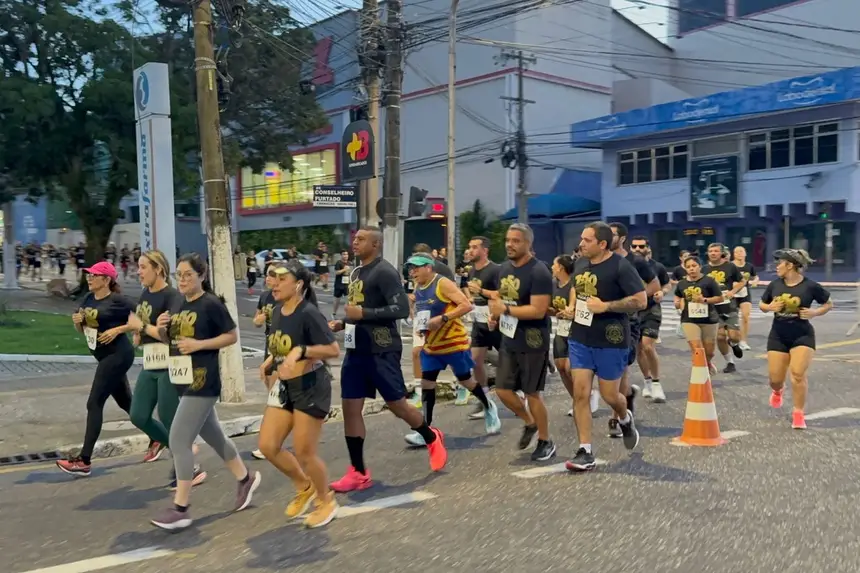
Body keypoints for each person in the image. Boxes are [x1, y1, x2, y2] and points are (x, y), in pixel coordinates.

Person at [328, 227, 448, 492]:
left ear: (376, 244)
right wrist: (342, 322)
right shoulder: (356, 272)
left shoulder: (385, 272)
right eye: (355, 239)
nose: (355, 242)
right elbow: (359, 309)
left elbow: (401, 309)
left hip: (381, 349)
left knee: (397, 405)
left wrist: (363, 314)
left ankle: (431, 436)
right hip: (356, 349)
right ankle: (358, 472)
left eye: (361, 239)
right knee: (350, 408)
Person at [150, 253, 261, 531]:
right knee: (215, 436)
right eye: (179, 275)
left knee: (178, 440)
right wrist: (161, 329)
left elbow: (231, 336)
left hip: (203, 382)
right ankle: (245, 479)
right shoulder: (177, 302)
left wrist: (199, 345)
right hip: (182, 379)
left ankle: (181, 508)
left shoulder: (210, 303)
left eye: (188, 274)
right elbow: (171, 339)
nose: (183, 280)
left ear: (202, 275)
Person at [258, 261, 340, 528]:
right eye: (273, 277)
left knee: (305, 452)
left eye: (282, 278)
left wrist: (302, 351)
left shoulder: (309, 313)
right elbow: (282, 345)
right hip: (285, 388)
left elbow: (333, 350)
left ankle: (326, 501)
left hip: (310, 386)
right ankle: (304, 486)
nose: (274, 283)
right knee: (268, 446)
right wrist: (270, 360)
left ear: (298, 284)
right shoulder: (277, 311)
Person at [565, 222, 645, 472]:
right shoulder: (580, 263)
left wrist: (606, 306)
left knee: (611, 396)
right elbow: (576, 289)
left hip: (611, 339)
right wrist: (572, 308)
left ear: (602, 244)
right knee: (581, 393)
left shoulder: (621, 266)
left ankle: (624, 417)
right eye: (581, 238)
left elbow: (640, 300)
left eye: (587, 240)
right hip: (580, 337)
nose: (581, 244)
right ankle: (585, 450)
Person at [404, 253, 501, 446]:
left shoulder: (442, 283)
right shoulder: (418, 286)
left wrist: (443, 318)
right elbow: (424, 312)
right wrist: (420, 324)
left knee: (466, 381)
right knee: (427, 383)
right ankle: (426, 431)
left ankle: (488, 406)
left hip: (453, 343)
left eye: (416, 267)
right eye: (411, 268)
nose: (412, 271)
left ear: (428, 267)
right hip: (431, 346)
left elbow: (467, 305)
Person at [57, 262, 137, 476]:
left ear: (107, 279)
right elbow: (82, 329)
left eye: (94, 275)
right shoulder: (88, 298)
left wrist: (118, 330)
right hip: (103, 355)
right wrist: (78, 322)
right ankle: (160, 437)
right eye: (88, 275)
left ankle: (84, 461)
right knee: (127, 403)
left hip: (118, 355)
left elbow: (142, 318)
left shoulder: (118, 300)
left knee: (94, 403)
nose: (89, 278)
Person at [487, 223, 557, 462]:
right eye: (508, 240)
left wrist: (505, 310)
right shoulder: (504, 269)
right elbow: (503, 297)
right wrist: (496, 316)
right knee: (502, 390)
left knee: (532, 393)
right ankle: (529, 423)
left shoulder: (539, 271)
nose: (510, 244)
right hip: (509, 338)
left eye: (516, 241)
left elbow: (538, 310)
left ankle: (546, 440)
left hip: (533, 340)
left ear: (528, 244)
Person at [760, 249, 832, 430]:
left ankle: (798, 413)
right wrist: (769, 307)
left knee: (798, 374)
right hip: (778, 335)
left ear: (790, 265)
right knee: (775, 378)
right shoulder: (775, 285)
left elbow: (828, 304)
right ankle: (778, 390)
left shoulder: (810, 286)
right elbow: (762, 304)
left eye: (779, 263)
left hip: (802, 335)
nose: (777, 267)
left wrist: (814, 312)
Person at [607, 223, 659, 436]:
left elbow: (654, 285)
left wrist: (635, 297)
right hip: (602, 319)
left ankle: (617, 417)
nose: (607, 237)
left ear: (622, 238)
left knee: (620, 368)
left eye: (611, 234)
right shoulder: (599, 260)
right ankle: (626, 396)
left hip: (628, 320)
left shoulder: (635, 261)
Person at [406, 243, 457, 409]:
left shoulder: (443, 270)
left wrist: (446, 316)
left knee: (449, 355)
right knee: (416, 352)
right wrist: (412, 303)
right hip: (422, 317)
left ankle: (463, 385)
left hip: (440, 319)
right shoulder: (414, 271)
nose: (414, 268)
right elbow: (416, 290)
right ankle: (419, 392)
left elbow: (455, 295)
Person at [550, 255, 598, 417]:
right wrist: (553, 312)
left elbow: (576, 305)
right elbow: (550, 306)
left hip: (576, 329)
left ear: (561, 268)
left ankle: (588, 396)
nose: (552, 267)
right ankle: (577, 401)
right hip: (561, 329)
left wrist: (571, 311)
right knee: (560, 366)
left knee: (571, 368)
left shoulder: (574, 284)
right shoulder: (553, 284)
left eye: (554, 265)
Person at [465, 236, 501, 421]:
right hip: (479, 322)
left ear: (485, 250)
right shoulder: (472, 271)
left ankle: (520, 390)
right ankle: (485, 400)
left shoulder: (495, 270)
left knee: (509, 360)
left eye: (474, 247)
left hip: (496, 321)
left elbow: (500, 294)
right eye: (470, 247)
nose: (470, 250)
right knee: (475, 360)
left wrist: (481, 292)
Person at [631, 237, 669, 402]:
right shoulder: (626, 265)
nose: (637, 249)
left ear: (648, 248)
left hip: (651, 309)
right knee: (639, 349)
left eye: (641, 246)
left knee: (648, 346)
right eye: (634, 246)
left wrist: (662, 292)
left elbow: (666, 284)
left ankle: (656, 382)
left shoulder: (657, 267)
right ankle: (647, 380)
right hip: (633, 311)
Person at [674, 256, 722, 375]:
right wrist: (677, 302)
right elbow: (678, 295)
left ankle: (708, 363)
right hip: (689, 319)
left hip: (709, 319)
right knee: (697, 348)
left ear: (700, 267)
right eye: (688, 267)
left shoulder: (709, 281)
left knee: (709, 352)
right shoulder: (682, 283)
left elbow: (720, 298)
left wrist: (704, 300)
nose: (691, 269)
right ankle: (700, 373)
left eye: (694, 266)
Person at [703, 243, 745, 373]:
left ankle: (734, 343)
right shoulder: (704, 269)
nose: (713, 253)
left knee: (734, 336)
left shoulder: (730, 266)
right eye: (710, 251)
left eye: (716, 251)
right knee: (720, 337)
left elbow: (742, 281)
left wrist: (733, 291)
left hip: (729, 306)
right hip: (713, 308)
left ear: (721, 253)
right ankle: (730, 362)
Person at [250, 269, 277, 461]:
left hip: (283, 347)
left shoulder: (283, 298)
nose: (268, 278)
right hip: (270, 344)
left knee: (274, 399)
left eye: (272, 275)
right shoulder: (265, 296)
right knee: (274, 394)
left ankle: (270, 443)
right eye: (267, 274)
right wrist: (258, 320)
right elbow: (256, 320)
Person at [732, 246, 758, 351]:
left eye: (741, 251)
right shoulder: (730, 266)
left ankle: (743, 341)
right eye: (736, 252)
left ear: (745, 253)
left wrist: (755, 281)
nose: (739, 253)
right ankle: (733, 338)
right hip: (732, 294)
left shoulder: (749, 266)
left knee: (746, 316)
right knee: (732, 319)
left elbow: (754, 276)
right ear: (734, 254)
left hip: (744, 294)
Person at [332, 251, 352, 318]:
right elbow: (337, 272)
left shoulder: (349, 263)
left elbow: (351, 273)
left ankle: (347, 315)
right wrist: (344, 269)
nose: (346, 256)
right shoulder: (339, 263)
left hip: (347, 284)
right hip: (339, 284)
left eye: (347, 254)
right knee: (337, 300)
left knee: (348, 300)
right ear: (341, 255)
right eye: (344, 254)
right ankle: (334, 313)